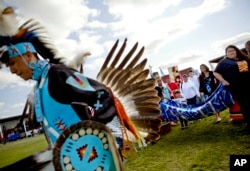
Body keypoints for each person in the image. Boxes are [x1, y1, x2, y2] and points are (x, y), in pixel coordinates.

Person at [0, 7, 161, 170]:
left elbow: (102, 94)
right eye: (8, 67)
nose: (12, 71)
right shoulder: (40, 87)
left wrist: (98, 133)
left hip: (91, 159)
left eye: (12, 63)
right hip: (71, 161)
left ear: (28, 54)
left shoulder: (56, 75)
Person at [213, 45, 250, 132]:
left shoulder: (242, 60)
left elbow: (245, 72)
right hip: (236, 87)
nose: (231, 52)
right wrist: (223, 81)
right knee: (245, 105)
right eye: (229, 51)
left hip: (247, 84)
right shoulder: (224, 62)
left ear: (236, 51)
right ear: (226, 53)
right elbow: (215, 72)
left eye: (233, 50)